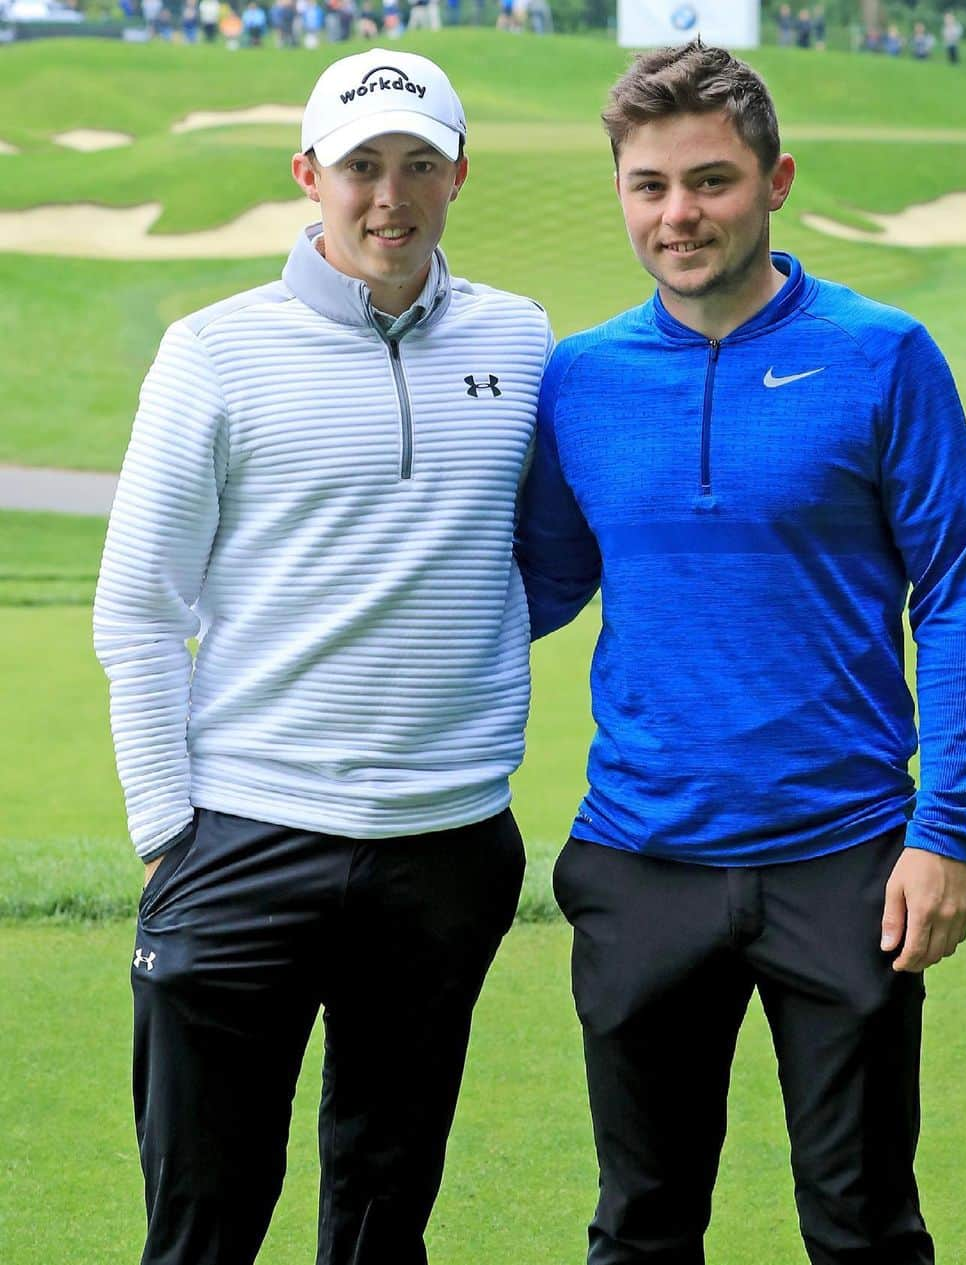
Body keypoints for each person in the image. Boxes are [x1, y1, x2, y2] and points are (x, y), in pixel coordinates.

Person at [516, 40, 966, 1265]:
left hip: (847, 862)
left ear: (776, 179)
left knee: (862, 1224)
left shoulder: (884, 354)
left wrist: (942, 828)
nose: (679, 214)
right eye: (649, 185)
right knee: (639, 1225)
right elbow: (537, 586)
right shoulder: (580, 378)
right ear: (621, 192)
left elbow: (953, 590)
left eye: (712, 180)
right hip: (640, 857)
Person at [94, 48, 552, 1265]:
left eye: (416, 164)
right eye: (360, 166)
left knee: (381, 1212)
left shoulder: (523, 337)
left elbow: (536, 552)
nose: (388, 196)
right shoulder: (213, 351)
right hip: (245, 832)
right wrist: (166, 830)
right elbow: (138, 604)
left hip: (447, 844)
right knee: (202, 1219)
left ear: (459, 173)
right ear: (311, 175)